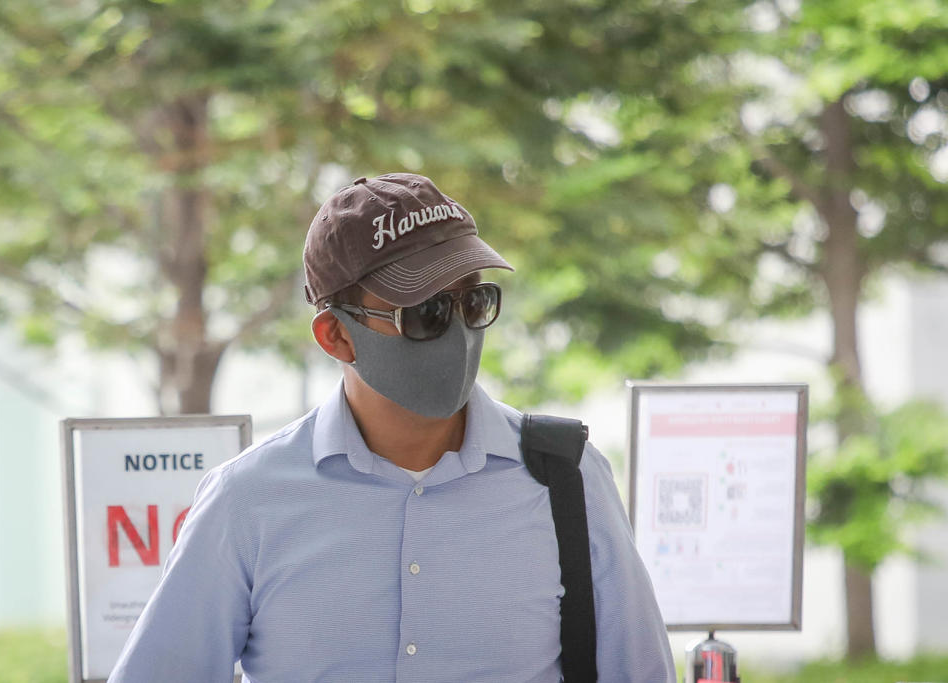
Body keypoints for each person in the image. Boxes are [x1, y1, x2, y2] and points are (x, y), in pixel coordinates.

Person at [109, 173, 675, 682]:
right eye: (426, 312)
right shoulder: (247, 500)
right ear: (336, 335)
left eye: (474, 302)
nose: (460, 333)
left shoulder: (569, 480)